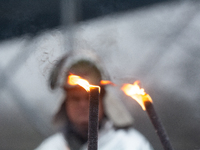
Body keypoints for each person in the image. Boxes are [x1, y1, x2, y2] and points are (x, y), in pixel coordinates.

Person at [35, 54, 154, 150]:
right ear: (64, 104)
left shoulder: (130, 145)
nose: (83, 104)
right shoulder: (50, 147)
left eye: (89, 98)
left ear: (103, 101)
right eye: (75, 99)